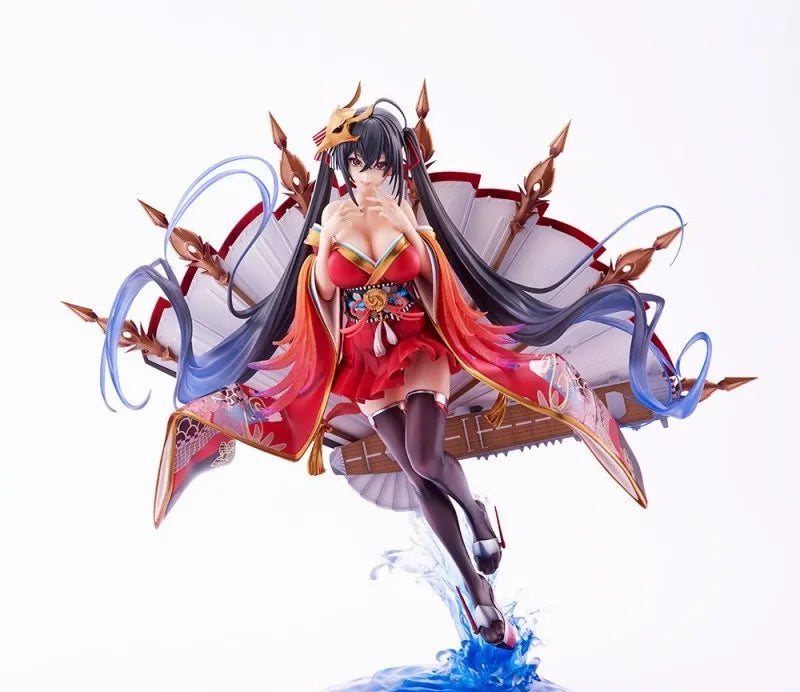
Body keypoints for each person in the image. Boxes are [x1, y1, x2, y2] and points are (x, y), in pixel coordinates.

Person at [98, 86, 711, 649]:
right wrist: (326, 298)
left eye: (380, 163)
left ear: (395, 164)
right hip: (362, 361)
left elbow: (437, 284)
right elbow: (320, 297)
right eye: (358, 163)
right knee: (418, 478)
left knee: (423, 458)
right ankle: (480, 593)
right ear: (341, 166)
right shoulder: (331, 222)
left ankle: (477, 513)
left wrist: (417, 259)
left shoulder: (407, 217)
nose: (369, 175)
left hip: (417, 348)